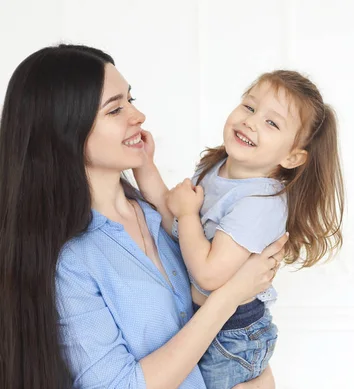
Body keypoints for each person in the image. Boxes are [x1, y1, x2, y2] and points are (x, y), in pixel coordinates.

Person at [0, 44, 286, 389]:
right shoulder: (69, 260)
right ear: (66, 129)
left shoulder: (160, 215)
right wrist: (231, 296)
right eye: (114, 109)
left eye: (130, 101)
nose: (138, 117)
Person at [133, 70, 344, 388]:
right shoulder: (216, 168)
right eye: (249, 107)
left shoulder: (261, 200)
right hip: (205, 321)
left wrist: (189, 214)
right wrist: (144, 164)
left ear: (292, 157)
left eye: (272, 123)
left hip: (232, 336)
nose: (252, 121)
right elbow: (174, 219)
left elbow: (208, 274)